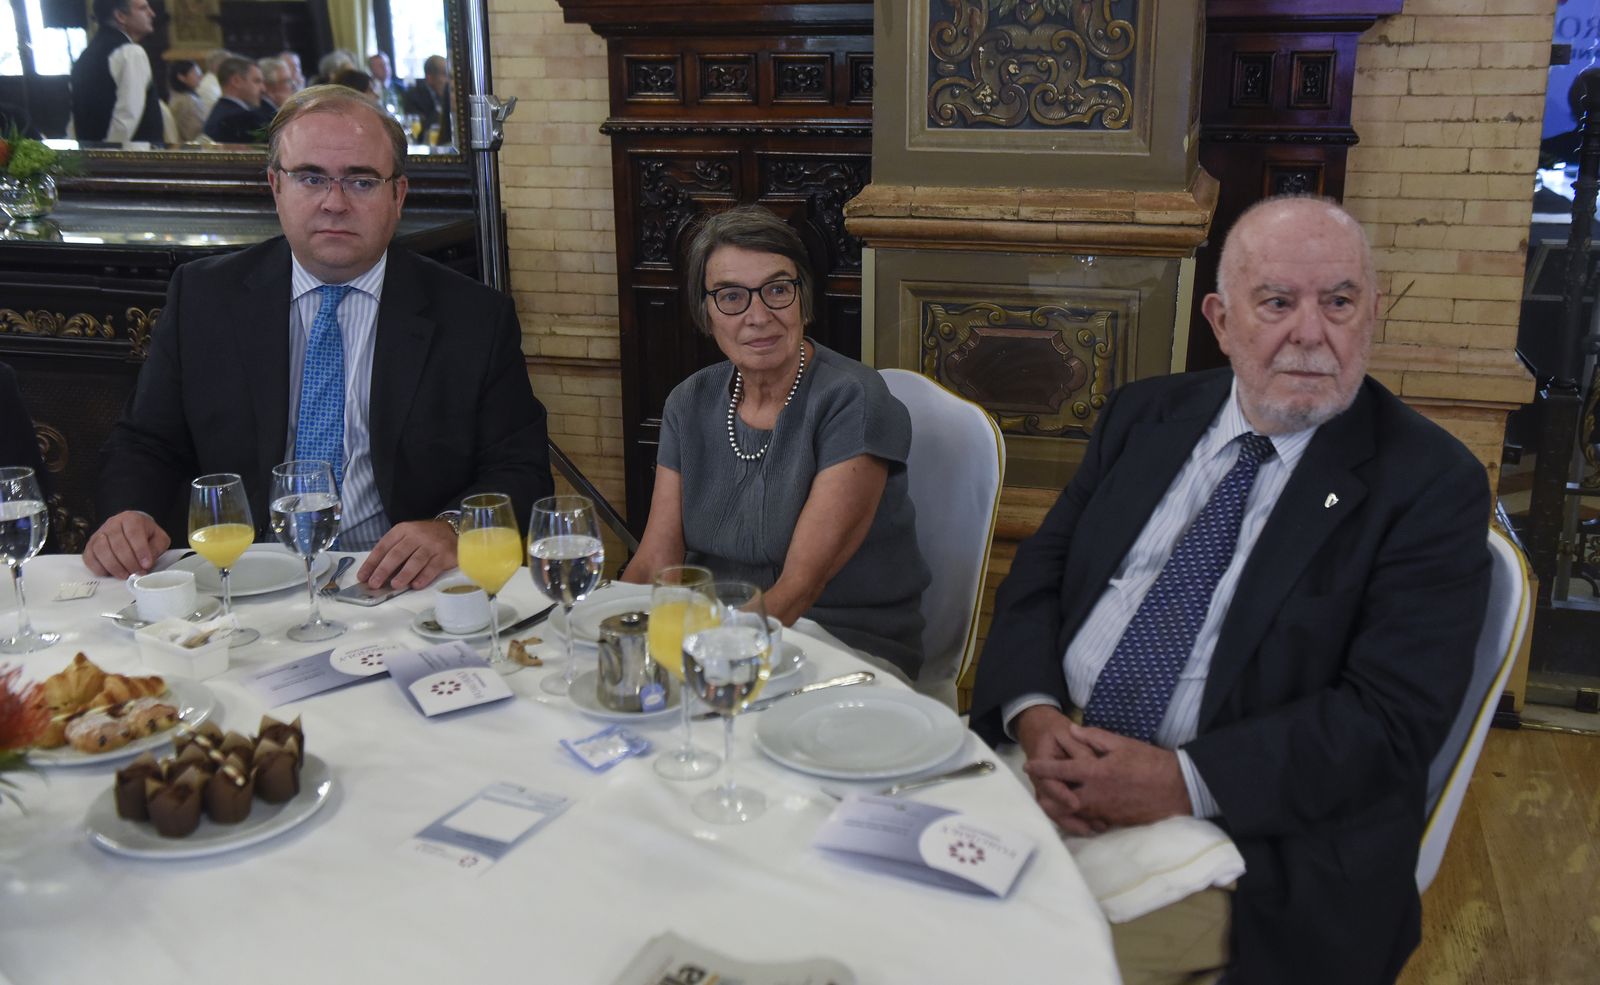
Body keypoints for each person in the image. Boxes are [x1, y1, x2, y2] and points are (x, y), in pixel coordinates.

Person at [969, 195, 1492, 985]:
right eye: (1278, 302)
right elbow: (1039, 575)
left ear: (1372, 312)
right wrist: (1035, 717)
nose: (1311, 333)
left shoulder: (1428, 484)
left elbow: (1388, 722)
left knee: (1003, 964)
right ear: (1220, 318)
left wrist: (1178, 780)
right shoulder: (1145, 415)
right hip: (1044, 762)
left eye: (1340, 302)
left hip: (1254, 834)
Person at [88, 85, 553, 591]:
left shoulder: (473, 317)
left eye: (361, 181)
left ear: (397, 195)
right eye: (311, 178)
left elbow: (520, 470)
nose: (334, 203)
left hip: (395, 586)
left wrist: (452, 528)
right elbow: (144, 442)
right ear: (276, 186)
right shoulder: (205, 296)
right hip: (239, 575)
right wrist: (128, 514)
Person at [619, 205, 930, 683]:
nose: (758, 316)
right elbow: (657, 562)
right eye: (731, 297)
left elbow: (798, 589)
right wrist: (612, 632)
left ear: (804, 300)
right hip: (708, 635)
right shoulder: (690, 401)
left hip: (840, 645)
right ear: (705, 312)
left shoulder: (853, 400)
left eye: (777, 290)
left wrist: (706, 662)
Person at [69, 0, 161, 145]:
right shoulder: (131, 53)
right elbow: (127, 116)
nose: (152, 13)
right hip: (130, 159)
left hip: (89, 156)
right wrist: (107, 156)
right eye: (143, 8)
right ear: (120, 16)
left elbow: (75, 119)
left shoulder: (85, 56)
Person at [203, 57, 271, 144]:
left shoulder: (218, 110)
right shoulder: (242, 118)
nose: (263, 89)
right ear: (236, 81)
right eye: (257, 81)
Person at [403, 55, 452, 144]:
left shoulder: (451, 94)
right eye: (444, 75)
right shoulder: (414, 96)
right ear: (430, 78)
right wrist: (441, 103)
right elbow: (418, 133)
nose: (448, 80)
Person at [167, 60, 205, 143]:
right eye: (196, 73)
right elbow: (194, 134)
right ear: (181, 77)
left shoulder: (176, 97)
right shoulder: (188, 101)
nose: (200, 77)